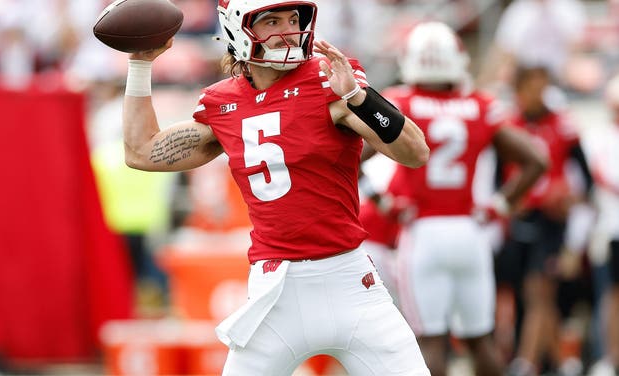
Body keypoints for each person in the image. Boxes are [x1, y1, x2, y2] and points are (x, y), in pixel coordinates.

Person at [120, 0, 431, 374]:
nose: (287, 29)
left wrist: (358, 97)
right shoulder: (223, 103)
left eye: (293, 18)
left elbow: (416, 153)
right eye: (272, 20)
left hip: (350, 282)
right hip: (276, 291)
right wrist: (140, 65)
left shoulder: (328, 81)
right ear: (238, 28)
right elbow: (141, 152)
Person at [360, 22, 547, 376]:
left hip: (423, 232)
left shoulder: (402, 102)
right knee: (480, 340)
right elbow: (537, 160)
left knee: (430, 341)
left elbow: (352, 162)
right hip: (470, 229)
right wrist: (500, 206)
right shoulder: (479, 104)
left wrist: (382, 202)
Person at [495, 65, 595, 376]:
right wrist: (510, 201)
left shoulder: (563, 125)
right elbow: (497, 178)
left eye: (541, 87)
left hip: (552, 221)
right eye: (532, 88)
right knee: (533, 294)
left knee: (539, 289)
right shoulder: (508, 125)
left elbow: (587, 182)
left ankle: (524, 362)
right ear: (519, 91)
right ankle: (565, 363)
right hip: (519, 219)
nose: (537, 95)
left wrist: (568, 200)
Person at [588, 73, 619, 376]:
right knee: (611, 295)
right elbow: (601, 177)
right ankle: (611, 356)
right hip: (612, 228)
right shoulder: (600, 137)